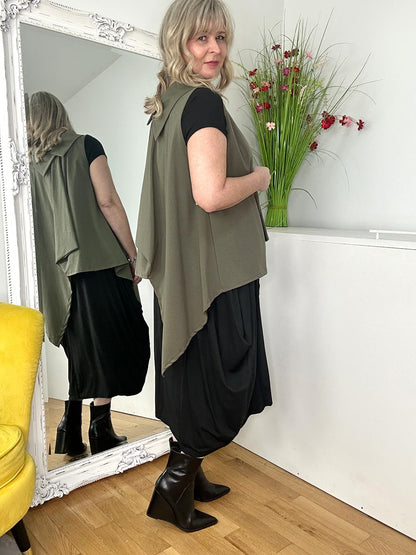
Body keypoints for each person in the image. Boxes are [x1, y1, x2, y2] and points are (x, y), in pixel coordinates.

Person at [135, 0, 272, 532]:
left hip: (187, 271)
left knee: (192, 376)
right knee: (217, 379)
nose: (214, 49)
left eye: (220, 37)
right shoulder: (202, 105)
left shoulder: (166, 106)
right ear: (178, 42)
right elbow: (211, 195)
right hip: (214, 275)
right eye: (200, 39)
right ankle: (172, 490)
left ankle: (192, 477)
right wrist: (259, 178)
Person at [27, 91, 150, 456]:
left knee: (84, 353)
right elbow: (108, 201)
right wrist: (132, 255)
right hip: (100, 266)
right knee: (115, 344)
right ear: (60, 114)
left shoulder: (27, 164)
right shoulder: (86, 145)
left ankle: (71, 431)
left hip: (58, 278)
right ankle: (99, 428)